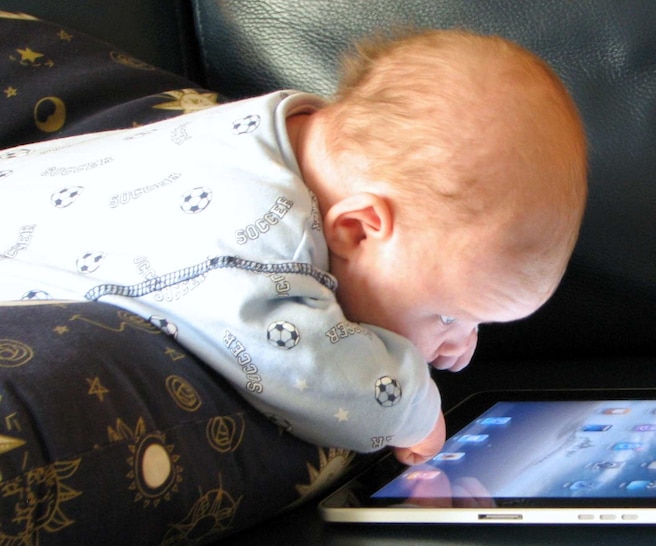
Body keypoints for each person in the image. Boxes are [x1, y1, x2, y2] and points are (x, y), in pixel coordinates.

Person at [0, 28, 588, 464]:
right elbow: (299, 364)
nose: (460, 347)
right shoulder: (257, 246)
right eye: (449, 314)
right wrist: (416, 413)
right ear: (358, 229)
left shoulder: (280, 130)